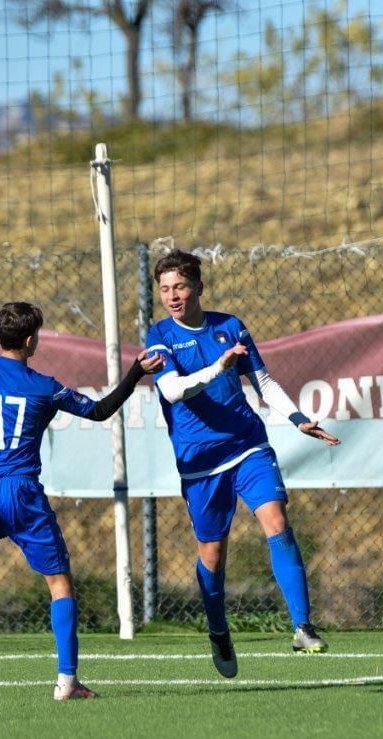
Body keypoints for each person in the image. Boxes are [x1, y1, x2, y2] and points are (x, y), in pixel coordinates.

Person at [0, 301, 163, 702]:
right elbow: (100, 410)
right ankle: (66, 680)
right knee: (58, 583)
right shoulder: (45, 386)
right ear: (29, 340)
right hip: (22, 492)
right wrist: (135, 373)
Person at [144, 250, 340, 678]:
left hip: (247, 445)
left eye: (179, 287)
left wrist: (299, 418)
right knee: (212, 555)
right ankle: (218, 629)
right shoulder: (158, 335)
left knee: (276, 520)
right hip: (199, 461)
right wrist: (219, 367)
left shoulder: (230, 326)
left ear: (198, 287)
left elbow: (263, 381)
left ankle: (302, 627)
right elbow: (175, 392)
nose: (172, 296)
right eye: (164, 289)